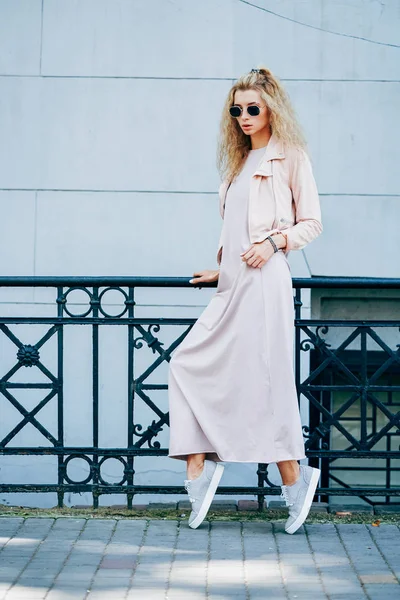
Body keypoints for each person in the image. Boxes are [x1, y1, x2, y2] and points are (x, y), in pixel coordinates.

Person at [167, 67, 322, 534]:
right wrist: (224, 267)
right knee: (186, 363)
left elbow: (311, 223)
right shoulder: (237, 163)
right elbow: (235, 230)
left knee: (267, 382)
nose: (244, 117)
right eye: (236, 109)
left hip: (267, 284)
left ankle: (294, 480)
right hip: (234, 283)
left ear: (271, 108)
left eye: (252, 108)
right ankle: (200, 461)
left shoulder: (290, 157)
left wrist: (274, 243)